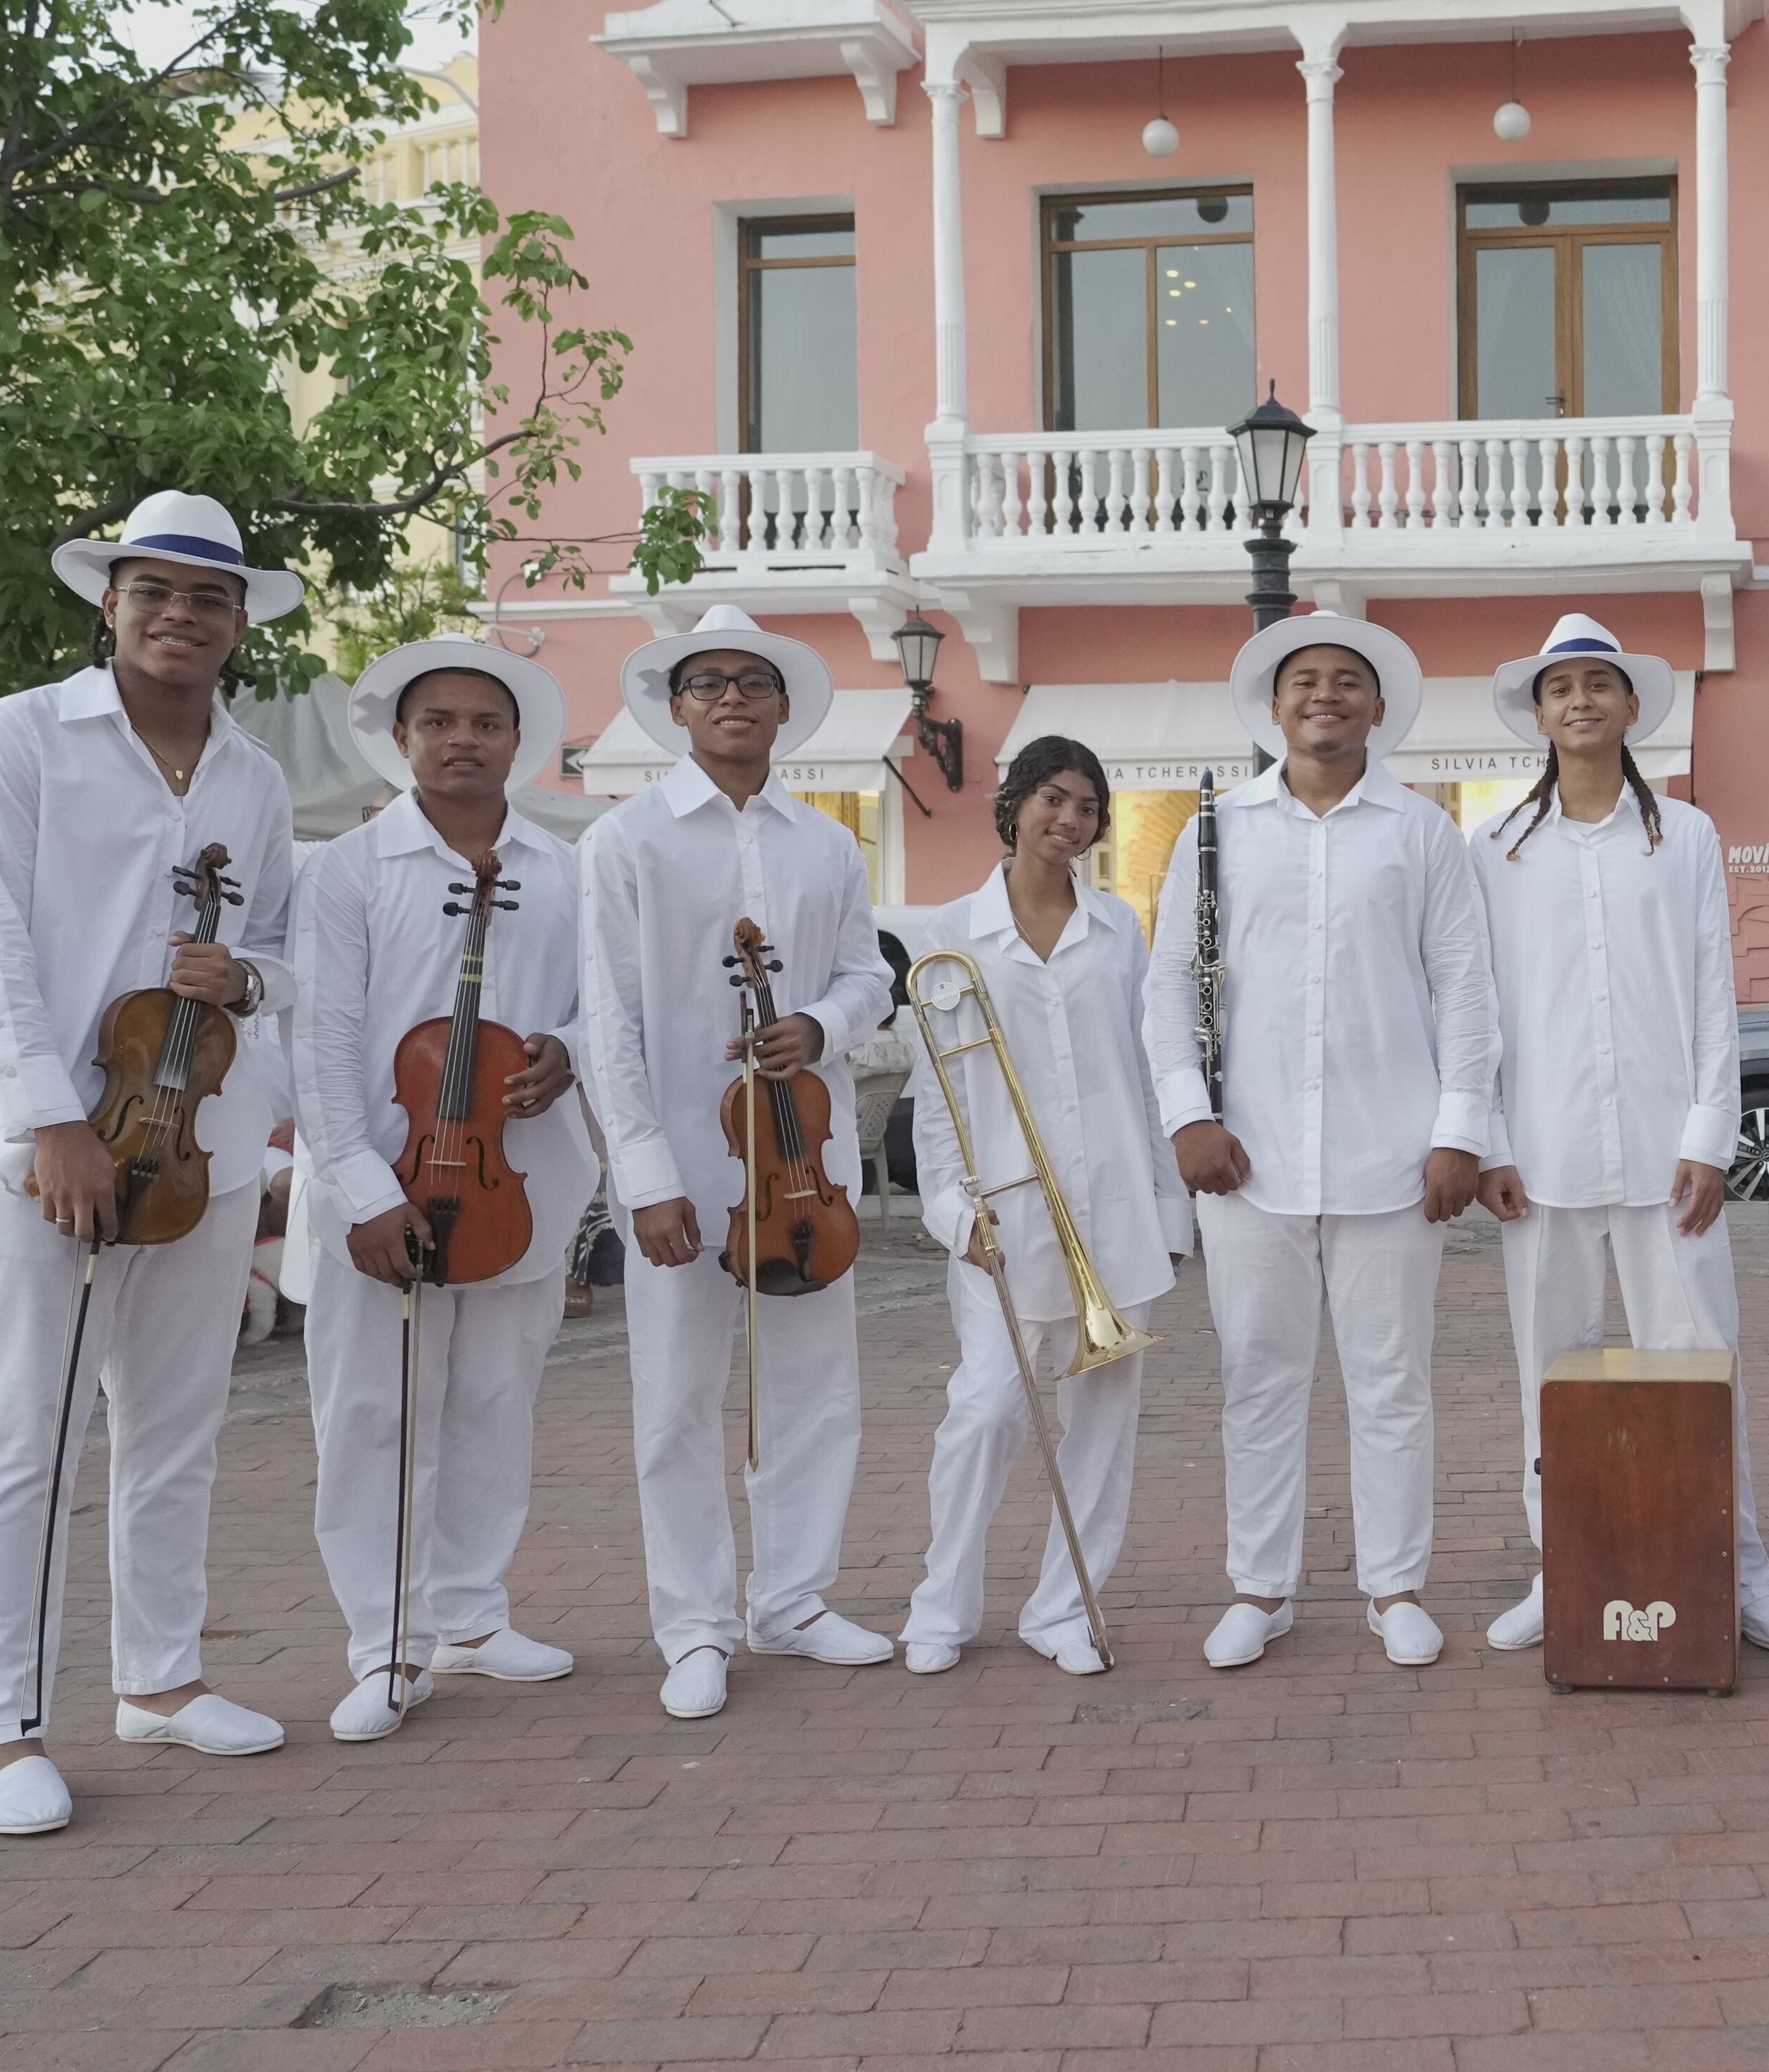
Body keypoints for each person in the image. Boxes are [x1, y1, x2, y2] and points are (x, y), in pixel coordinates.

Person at [0, 489, 306, 1838]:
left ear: (238, 622)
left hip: (193, 1135)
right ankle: (2, 1729)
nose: (181, 615)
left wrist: (248, 974)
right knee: (18, 1434)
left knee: (174, 1424)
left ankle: (161, 1677)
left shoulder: (255, 777)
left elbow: (283, 945)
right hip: (46, 1140)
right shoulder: (21, 736)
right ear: (109, 601)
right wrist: (52, 1123)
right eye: (155, 590)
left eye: (209, 597)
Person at [1141, 615, 1497, 1672]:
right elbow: (1168, 986)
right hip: (1245, 1157)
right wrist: (1185, 1116)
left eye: (1350, 682)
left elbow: (1465, 989)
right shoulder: (1219, 829)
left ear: (1379, 709)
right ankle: (1262, 1586)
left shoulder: (1421, 832)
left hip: (1394, 1152)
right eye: (1307, 680)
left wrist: (1459, 1132)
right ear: (1276, 704)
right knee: (1258, 1378)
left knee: (1391, 1382)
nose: (1327, 695)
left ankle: (1395, 1588)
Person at [577, 605, 898, 1721]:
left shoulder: (827, 842)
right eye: (707, 682)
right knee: (675, 1397)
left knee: (816, 1386)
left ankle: (796, 1597)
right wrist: (647, 1176)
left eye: (751, 682)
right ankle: (695, 1624)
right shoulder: (624, 842)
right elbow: (607, 1021)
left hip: (800, 1163)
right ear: (677, 707)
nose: (730, 698)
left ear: (781, 706)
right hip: (681, 1156)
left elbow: (871, 977)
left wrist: (817, 1023)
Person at [1465, 616, 1769, 1657]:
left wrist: (1712, 1137)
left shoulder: (1688, 836)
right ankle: (1557, 1567)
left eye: (1597, 685)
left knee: (1704, 1361)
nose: (1579, 702)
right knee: (1548, 1375)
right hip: (1543, 1149)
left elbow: (1715, 994)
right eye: (1559, 686)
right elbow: (1473, 1005)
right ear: (1539, 712)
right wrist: (1486, 1140)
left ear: (1628, 707)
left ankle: (1738, 1572)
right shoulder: (1495, 850)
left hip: (1671, 1155)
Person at [292, 635, 597, 1743]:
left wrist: (568, 1047)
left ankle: (471, 1615)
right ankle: (383, 1642)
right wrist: (362, 1188)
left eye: (486, 723)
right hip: (387, 1183)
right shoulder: (345, 870)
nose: (463, 739)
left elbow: (596, 1006)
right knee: (372, 1412)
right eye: (441, 723)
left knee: (491, 1400)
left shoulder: (564, 869)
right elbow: (320, 1043)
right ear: (405, 738)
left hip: (516, 1181)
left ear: (518, 742)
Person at [900, 736, 1188, 1677]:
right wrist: (951, 1214)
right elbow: (937, 1099)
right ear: (1015, 802)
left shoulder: (1118, 930)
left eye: (1088, 808)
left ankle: (1065, 1607)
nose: (1069, 821)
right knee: (984, 1410)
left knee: (1104, 1430)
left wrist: (1167, 1208)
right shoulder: (947, 934)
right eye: (1053, 800)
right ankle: (942, 1603)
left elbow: (1140, 1078)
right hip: (1005, 1224)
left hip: (1116, 1208)